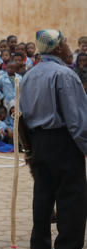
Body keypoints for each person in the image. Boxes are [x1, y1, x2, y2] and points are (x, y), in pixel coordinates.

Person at [20, 30, 87, 249]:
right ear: (58, 48)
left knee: (42, 199)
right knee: (71, 203)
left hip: (39, 143)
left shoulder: (30, 75)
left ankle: (39, 245)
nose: (69, 47)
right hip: (64, 144)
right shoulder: (65, 75)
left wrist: (29, 149)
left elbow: (22, 115)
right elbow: (77, 121)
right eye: (66, 43)